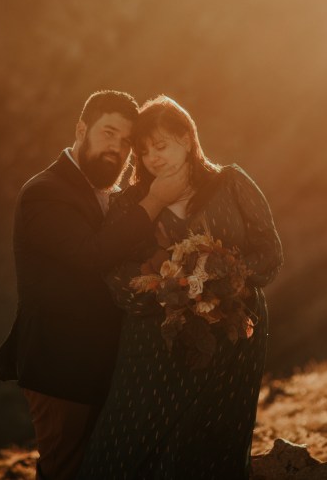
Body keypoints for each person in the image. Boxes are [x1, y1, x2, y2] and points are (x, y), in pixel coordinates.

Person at [0, 90, 190, 480]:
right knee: (65, 470)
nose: (117, 147)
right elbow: (91, 255)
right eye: (108, 133)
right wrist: (155, 200)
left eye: (127, 142)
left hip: (105, 365)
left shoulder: (110, 195)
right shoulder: (45, 192)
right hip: (59, 366)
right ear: (82, 129)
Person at [76, 95, 283, 480]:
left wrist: (223, 280)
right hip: (156, 340)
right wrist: (173, 291)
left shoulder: (232, 183)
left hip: (232, 332)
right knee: (133, 434)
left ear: (187, 139)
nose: (153, 158)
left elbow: (269, 252)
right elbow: (114, 273)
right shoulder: (132, 202)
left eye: (161, 146)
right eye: (143, 151)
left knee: (215, 430)